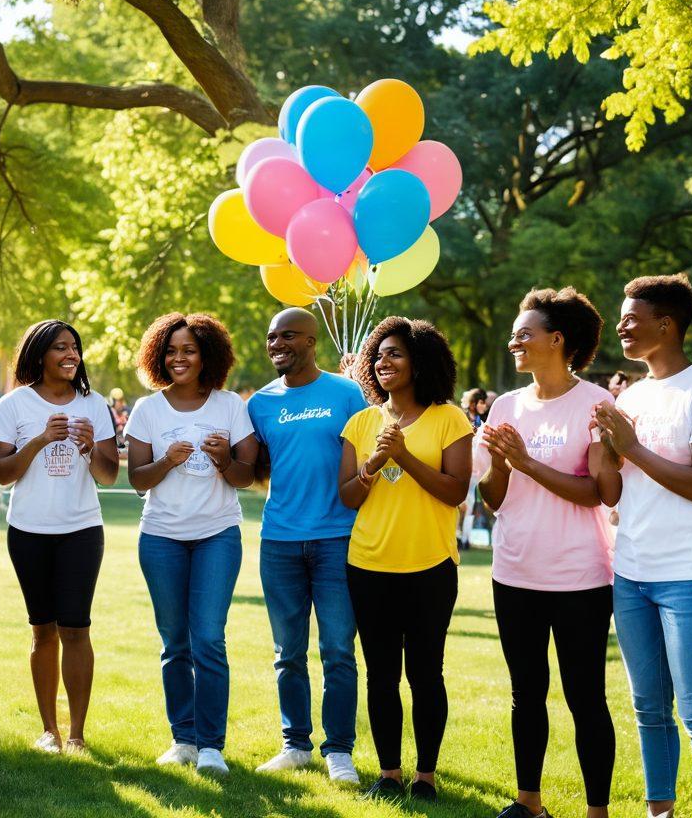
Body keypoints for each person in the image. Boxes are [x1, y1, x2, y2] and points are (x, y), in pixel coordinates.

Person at [477, 288, 615, 818]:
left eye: (524, 332)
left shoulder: (597, 403)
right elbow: (493, 499)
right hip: (514, 573)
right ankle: (528, 803)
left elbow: (599, 494)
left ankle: (597, 810)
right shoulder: (507, 405)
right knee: (525, 695)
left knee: (586, 699)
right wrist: (501, 466)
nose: (515, 340)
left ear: (557, 340)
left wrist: (528, 463)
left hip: (580, 577)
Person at [337, 316, 472, 802]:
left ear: (421, 361)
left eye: (395, 353)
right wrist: (374, 461)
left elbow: (454, 490)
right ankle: (389, 772)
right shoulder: (360, 423)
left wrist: (405, 456)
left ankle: (426, 777)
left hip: (431, 566)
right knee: (380, 675)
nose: (383, 362)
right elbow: (349, 497)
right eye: (379, 355)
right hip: (369, 565)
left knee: (426, 673)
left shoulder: (449, 418)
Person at [125, 313, 258, 777]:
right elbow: (138, 480)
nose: (179, 358)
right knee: (174, 643)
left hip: (217, 535)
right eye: (171, 351)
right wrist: (166, 460)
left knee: (208, 639)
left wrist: (223, 460)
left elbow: (246, 476)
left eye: (189, 350)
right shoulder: (148, 410)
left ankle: (211, 747)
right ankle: (183, 739)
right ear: (159, 356)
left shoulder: (229, 406)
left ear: (207, 356)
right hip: (161, 537)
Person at [593, 274, 692, 818]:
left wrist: (631, 445)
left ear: (667, 324)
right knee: (648, 707)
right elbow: (613, 488)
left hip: (690, 573)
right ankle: (660, 813)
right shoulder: (630, 395)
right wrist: (604, 451)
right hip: (631, 571)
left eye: (632, 318)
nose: (622, 326)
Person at [247, 308, 365, 783]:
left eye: (288, 336)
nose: (278, 344)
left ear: (313, 341)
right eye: (272, 337)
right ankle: (295, 744)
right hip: (278, 540)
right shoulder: (259, 402)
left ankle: (339, 750)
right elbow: (254, 469)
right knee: (287, 651)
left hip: (337, 538)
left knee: (338, 649)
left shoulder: (346, 393)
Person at [0, 320, 119, 753]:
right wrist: (42, 439)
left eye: (75, 347)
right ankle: (50, 730)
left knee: (76, 629)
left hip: (81, 530)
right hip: (28, 531)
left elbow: (107, 474)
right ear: (39, 354)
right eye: (60, 347)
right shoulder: (14, 405)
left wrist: (88, 447)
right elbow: (2, 476)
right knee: (42, 631)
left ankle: (78, 734)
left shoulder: (95, 404)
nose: (71, 354)